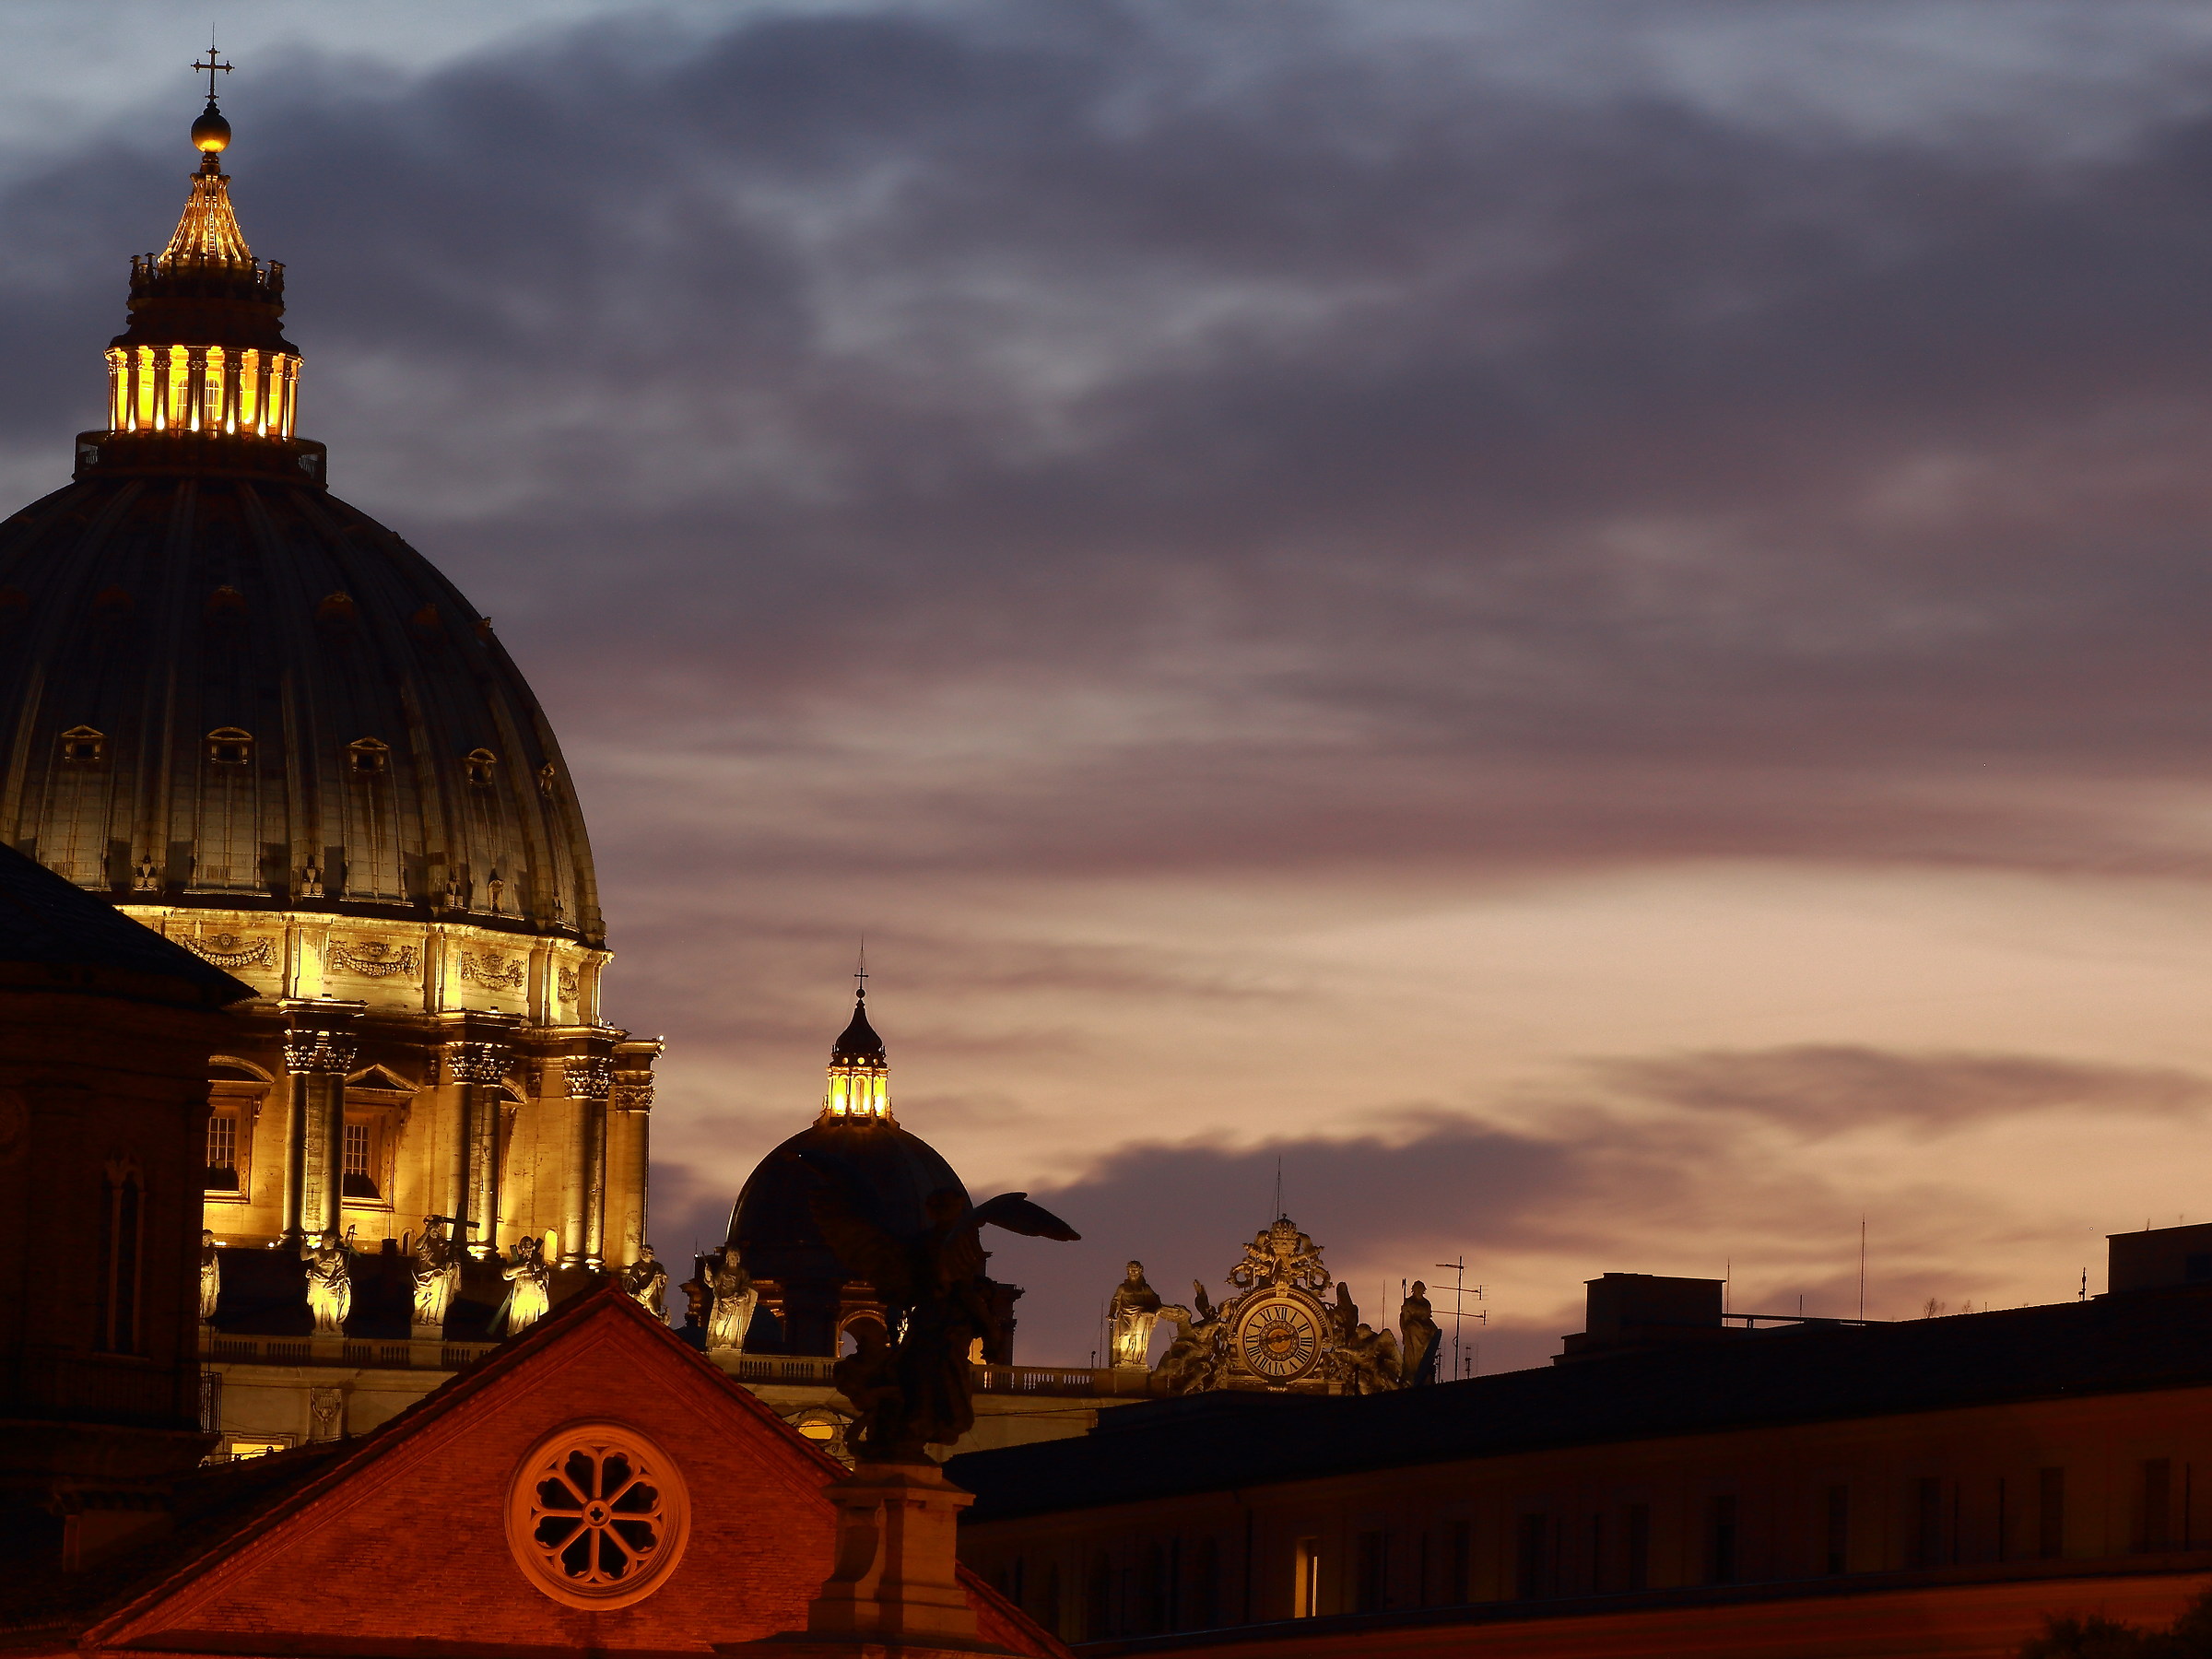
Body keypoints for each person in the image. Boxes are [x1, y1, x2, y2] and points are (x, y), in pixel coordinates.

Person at [408, 1216, 460, 1332]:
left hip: (437, 1274)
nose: (435, 1233)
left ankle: (432, 1317)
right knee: (420, 1296)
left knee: (436, 1297)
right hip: (423, 1275)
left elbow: (454, 1257)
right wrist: (426, 1233)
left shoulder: (443, 1244)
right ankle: (420, 1315)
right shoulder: (424, 1242)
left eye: (437, 1231)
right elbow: (417, 1245)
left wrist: (451, 1266)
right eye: (433, 1230)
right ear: (429, 1230)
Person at [1109, 1260, 1163, 1368]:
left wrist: (1153, 1311)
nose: (1133, 1273)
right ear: (1127, 1272)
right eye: (1131, 1270)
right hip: (1125, 1315)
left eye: (1135, 1271)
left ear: (1140, 1271)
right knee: (1125, 1336)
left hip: (1141, 1315)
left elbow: (1157, 1303)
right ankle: (1124, 1359)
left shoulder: (1145, 1288)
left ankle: (1137, 1361)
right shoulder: (1123, 1287)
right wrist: (1111, 1313)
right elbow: (1115, 1300)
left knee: (1139, 1338)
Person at [704, 1245, 757, 1352]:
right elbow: (713, 1284)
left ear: (738, 1259)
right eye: (731, 1257)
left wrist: (742, 1295)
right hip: (723, 1301)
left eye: (735, 1257)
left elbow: (747, 1286)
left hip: (736, 1303)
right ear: (727, 1258)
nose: (733, 1259)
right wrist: (708, 1276)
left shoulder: (742, 1272)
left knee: (733, 1326)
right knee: (720, 1324)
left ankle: (728, 1345)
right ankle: (719, 1343)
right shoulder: (722, 1271)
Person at [301, 1229, 351, 1335]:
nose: (333, 1242)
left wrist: (341, 1280)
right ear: (324, 1240)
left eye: (334, 1240)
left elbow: (340, 1269)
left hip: (331, 1283)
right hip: (317, 1282)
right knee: (318, 1304)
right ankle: (318, 1326)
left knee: (333, 1304)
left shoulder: (337, 1254)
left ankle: (333, 1323)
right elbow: (304, 1257)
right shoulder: (317, 1252)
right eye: (330, 1240)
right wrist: (304, 1244)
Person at [500, 1234, 551, 1334]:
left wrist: (540, 1277)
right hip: (521, 1294)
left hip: (535, 1295)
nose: (528, 1250)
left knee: (532, 1319)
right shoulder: (518, 1263)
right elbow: (506, 1273)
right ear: (521, 1249)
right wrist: (522, 1267)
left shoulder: (538, 1263)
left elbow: (546, 1275)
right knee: (519, 1319)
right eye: (525, 1248)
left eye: (530, 1248)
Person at [1399, 1279, 1441, 1385]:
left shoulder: (1426, 1303)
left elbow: (1428, 1317)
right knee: (1414, 1330)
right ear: (1413, 1290)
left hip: (1425, 1325)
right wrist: (1406, 1328)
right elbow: (1405, 1318)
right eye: (1417, 1289)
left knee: (1433, 1333)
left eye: (1420, 1289)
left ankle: (1424, 1364)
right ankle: (1414, 1367)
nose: (1419, 1291)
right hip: (1413, 1327)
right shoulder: (1409, 1302)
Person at [623, 1244, 669, 1318]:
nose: (649, 1254)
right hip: (640, 1294)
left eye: (651, 1252)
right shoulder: (636, 1266)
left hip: (652, 1293)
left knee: (655, 1312)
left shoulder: (657, 1266)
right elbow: (632, 1279)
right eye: (648, 1252)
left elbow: (665, 1278)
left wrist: (660, 1276)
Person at [198, 1229, 220, 1323]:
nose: (208, 1242)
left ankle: (202, 1315)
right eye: (206, 1239)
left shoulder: (212, 1254)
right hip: (200, 1280)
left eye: (209, 1240)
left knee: (206, 1298)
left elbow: (215, 1269)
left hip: (208, 1281)